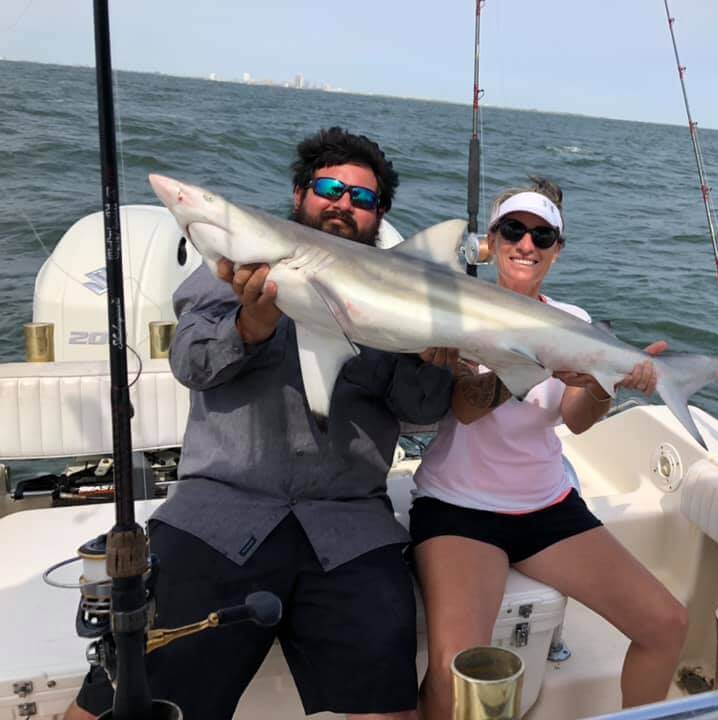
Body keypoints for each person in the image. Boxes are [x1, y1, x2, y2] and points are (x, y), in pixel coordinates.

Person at [65, 127, 456, 720]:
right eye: (330, 188)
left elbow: (422, 410)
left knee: (391, 710)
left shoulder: (398, 297)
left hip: (348, 525)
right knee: (116, 705)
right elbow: (191, 364)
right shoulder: (230, 269)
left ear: (379, 216)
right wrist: (252, 323)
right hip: (222, 514)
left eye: (363, 198)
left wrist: (427, 357)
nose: (343, 204)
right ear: (299, 193)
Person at [410, 178, 689, 720]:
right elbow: (466, 408)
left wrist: (605, 381)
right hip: (460, 510)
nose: (526, 245)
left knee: (668, 624)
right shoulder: (457, 310)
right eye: (513, 230)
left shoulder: (574, 322)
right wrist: (539, 355)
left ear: (557, 251)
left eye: (542, 236)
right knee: (452, 671)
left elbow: (576, 422)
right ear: (490, 241)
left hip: (547, 507)